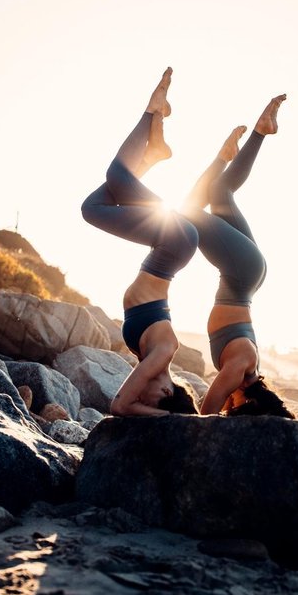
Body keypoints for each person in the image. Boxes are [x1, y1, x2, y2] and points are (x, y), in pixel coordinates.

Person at [81, 68, 199, 417]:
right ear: (166, 390)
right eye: (151, 400)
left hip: (167, 248)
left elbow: (129, 402)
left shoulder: (152, 357)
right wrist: (171, 420)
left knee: (93, 207)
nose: (140, 395)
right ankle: (151, 111)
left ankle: (152, 154)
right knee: (116, 176)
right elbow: (121, 405)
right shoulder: (162, 355)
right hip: (173, 244)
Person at [182, 94, 295, 418]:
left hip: (246, 276)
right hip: (241, 273)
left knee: (219, 193)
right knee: (187, 211)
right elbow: (207, 411)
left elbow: (220, 401)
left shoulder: (247, 372)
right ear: (249, 403)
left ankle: (257, 133)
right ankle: (232, 150)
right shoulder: (241, 371)